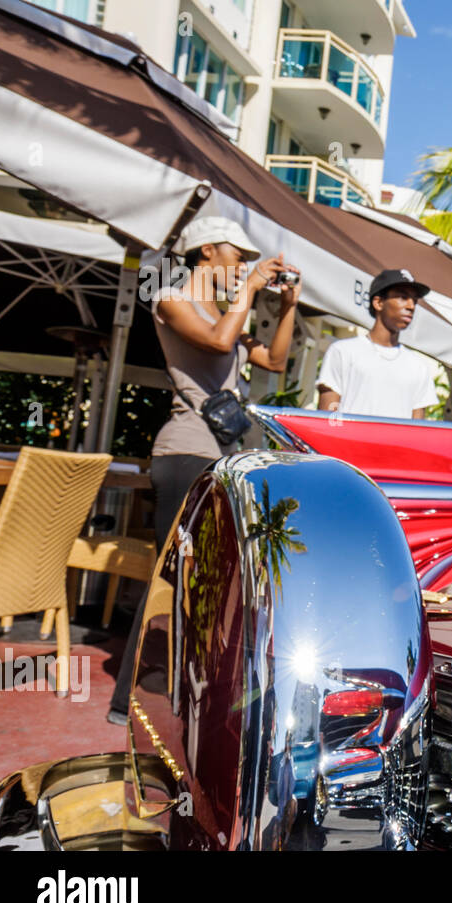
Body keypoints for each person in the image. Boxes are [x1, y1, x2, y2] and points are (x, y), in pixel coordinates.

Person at [108, 216, 300, 723]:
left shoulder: (224, 312)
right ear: (209, 252)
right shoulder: (171, 299)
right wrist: (252, 290)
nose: (243, 267)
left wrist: (287, 308)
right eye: (239, 257)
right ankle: (124, 699)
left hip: (219, 460)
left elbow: (275, 362)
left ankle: (182, 693)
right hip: (184, 454)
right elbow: (218, 343)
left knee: (205, 582)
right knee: (168, 577)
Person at [316, 269, 440, 419]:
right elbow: (326, 418)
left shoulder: (418, 366)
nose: (411, 306)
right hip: (350, 442)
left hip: (396, 443)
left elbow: (417, 430)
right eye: (403, 297)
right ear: (378, 302)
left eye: (414, 300)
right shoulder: (343, 351)